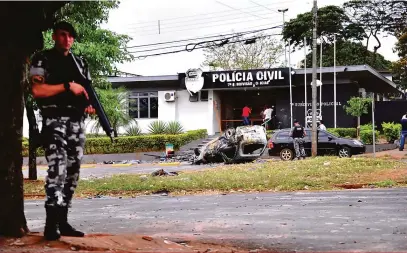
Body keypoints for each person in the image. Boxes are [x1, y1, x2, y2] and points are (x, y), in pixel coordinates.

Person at [29, 21, 96, 241]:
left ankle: (63, 221)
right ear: (54, 37)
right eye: (62, 34)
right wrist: (67, 86)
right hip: (54, 121)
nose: (67, 39)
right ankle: (50, 225)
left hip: (76, 123)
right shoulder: (42, 59)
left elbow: (86, 92)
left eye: (70, 36)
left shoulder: (80, 63)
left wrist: (88, 105)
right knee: (57, 170)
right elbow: (38, 90)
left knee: (73, 173)